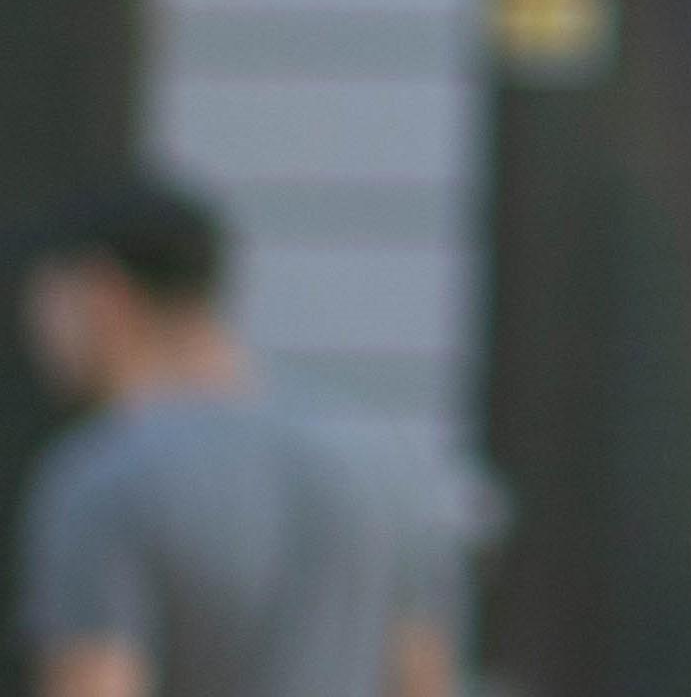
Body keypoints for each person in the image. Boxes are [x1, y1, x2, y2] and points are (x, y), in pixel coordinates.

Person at [15, 182, 455, 697]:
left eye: (46, 297)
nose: (36, 328)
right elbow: (422, 676)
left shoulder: (105, 476)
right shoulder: (372, 454)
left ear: (102, 294)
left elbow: (94, 683)